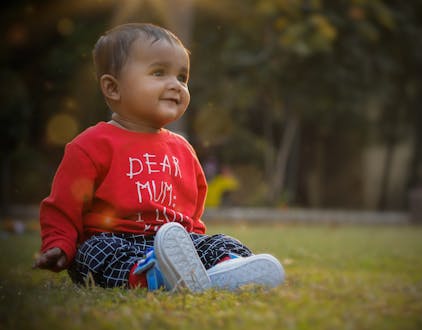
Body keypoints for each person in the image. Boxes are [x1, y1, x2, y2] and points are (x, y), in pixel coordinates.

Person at [33, 23, 284, 292]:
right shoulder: (90, 145)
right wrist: (58, 244)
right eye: (159, 73)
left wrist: (194, 247)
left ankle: (226, 267)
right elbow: (63, 207)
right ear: (113, 88)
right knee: (93, 252)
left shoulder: (183, 149)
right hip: (115, 240)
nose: (175, 85)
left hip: (172, 243)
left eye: (182, 77)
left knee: (219, 241)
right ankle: (151, 275)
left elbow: (192, 215)